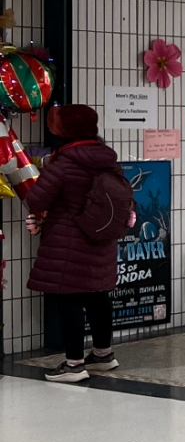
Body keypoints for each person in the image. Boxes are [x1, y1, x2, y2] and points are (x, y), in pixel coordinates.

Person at [25, 104, 123, 382]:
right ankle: (103, 355)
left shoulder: (65, 162)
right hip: (101, 240)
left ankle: (74, 364)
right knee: (98, 294)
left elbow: (36, 200)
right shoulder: (108, 159)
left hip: (68, 242)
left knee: (68, 298)